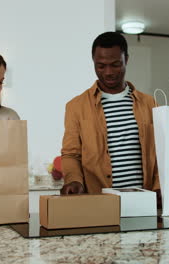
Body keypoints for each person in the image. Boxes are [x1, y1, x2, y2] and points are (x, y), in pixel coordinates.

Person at [60, 32, 160, 197]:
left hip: (145, 201)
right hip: (99, 204)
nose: (108, 72)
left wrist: (158, 187)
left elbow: (160, 153)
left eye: (115, 64)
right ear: (93, 62)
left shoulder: (150, 104)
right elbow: (71, 154)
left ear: (126, 59)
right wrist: (74, 180)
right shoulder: (76, 107)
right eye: (101, 66)